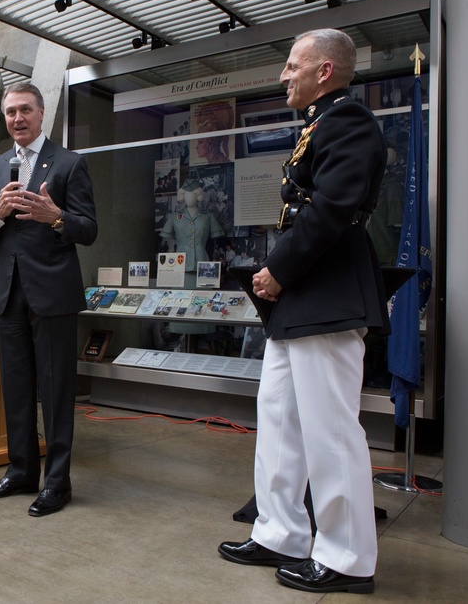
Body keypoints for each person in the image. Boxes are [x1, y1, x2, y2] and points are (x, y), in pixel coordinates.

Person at [217, 29, 389, 595]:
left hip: (328, 289)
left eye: (293, 66)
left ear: (324, 71)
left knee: (330, 428)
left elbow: (333, 208)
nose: (283, 75)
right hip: (303, 293)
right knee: (281, 418)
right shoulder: (320, 122)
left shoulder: (349, 121)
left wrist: (280, 269)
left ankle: (346, 557)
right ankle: (281, 531)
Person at [0, 82, 97, 517]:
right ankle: (21, 471)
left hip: (53, 294)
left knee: (56, 392)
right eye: (10, 113)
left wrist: (57, 217)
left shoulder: (69, 164)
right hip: (8, 293)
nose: (17, 119)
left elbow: (90, 229)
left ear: (42, 114)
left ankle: (57, 483)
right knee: (17, 389)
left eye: (25, 110)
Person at [160, 179, 224, 280]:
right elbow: (167, 235)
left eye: (193, 194)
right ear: (182, 195)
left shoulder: (208, 216)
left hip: (202, 264)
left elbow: (215, 234)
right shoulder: (174, 217)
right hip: (180, 265)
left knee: (204, 294)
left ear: (198, 195)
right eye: (186, 194)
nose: (190, 197)